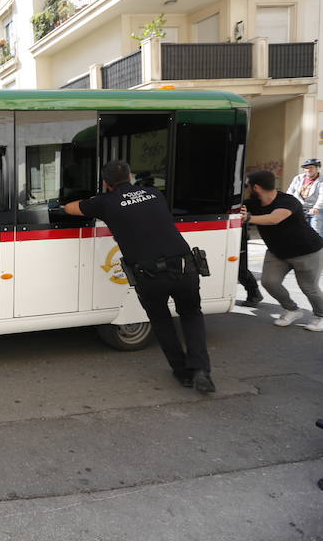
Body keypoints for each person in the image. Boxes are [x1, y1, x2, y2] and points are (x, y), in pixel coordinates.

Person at [64, 160, 215, 394]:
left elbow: (70, 208)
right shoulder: (154, 194)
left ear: (106, 183)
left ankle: (183, 374)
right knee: (191, 315)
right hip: (185, 266)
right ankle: (201, 370)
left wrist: (91, 201)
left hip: (150, 274)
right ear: (131, 176)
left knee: (162, 322)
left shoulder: (105, 202)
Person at [242, 170, 323, 331]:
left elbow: (274, 218)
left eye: (247, 185)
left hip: (307, 251)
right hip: (277, 252)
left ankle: (320, 315)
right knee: (269, 282)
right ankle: (292, 309)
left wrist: (249, 218)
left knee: (308, 287)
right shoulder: (252, 203)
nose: (246, 188)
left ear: (256, 187)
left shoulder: (288, 201)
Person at [285, 158, 323, 236]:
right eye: (306, 168)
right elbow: (290, 192)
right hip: (299, 207)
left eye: (311, 167)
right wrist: (288, 204)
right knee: (297, 230)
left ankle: (319, 247)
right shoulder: (298, 178)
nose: (308, 170)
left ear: (317, 168)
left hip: (315, 209)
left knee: (316, 231)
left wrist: (316, 207)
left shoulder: (321, 180)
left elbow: (322, 195)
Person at [236, 225, 263, 307]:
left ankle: (254, 294)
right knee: (239, 268)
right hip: (236, 231)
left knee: (240, 269)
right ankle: (254, 294)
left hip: (237, 233)